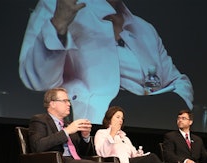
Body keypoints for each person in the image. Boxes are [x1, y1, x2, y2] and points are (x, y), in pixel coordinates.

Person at [19, 0, 193, 128]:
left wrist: (167, 103)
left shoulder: (144, 28)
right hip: (95, 126)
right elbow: (37, 80)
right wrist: (58, 26)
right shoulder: (56, 6)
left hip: (147, 125)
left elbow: (178, 81)